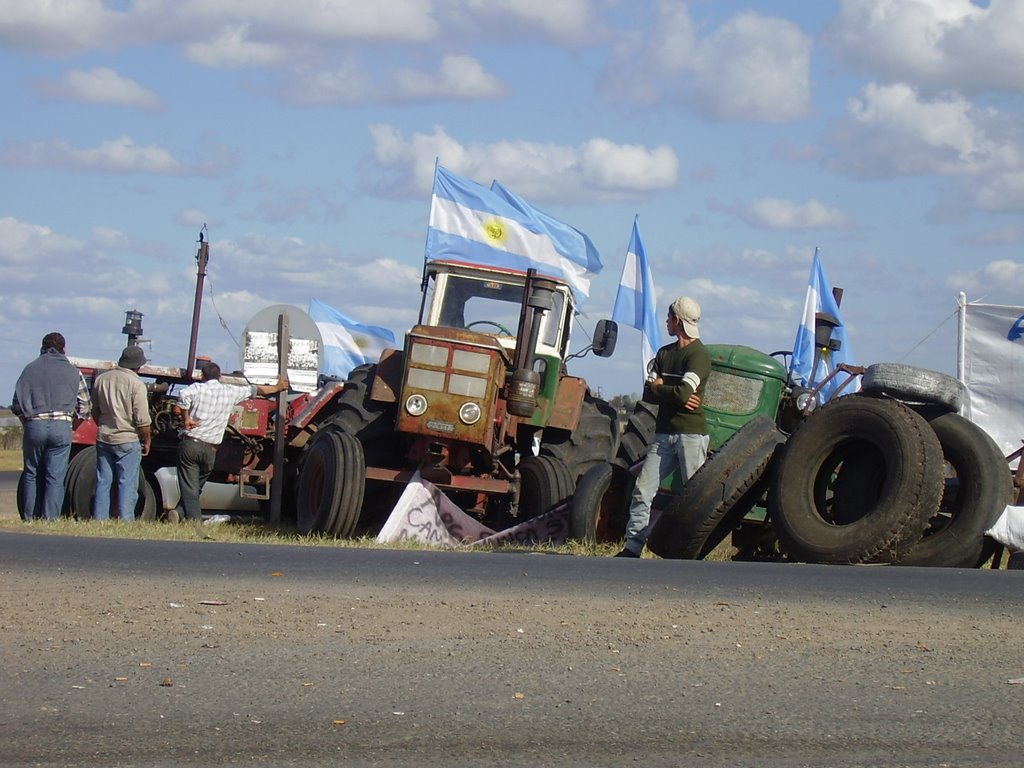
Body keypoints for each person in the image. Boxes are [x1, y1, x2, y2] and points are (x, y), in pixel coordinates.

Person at [616, 297, 712, 558]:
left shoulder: (699, 356)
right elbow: (654, 393)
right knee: (642, 489)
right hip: (664, 434)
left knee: (694, 498)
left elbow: (678, 392)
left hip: (691, 436)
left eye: (669, 318)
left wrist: (662, 387)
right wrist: (666, 390)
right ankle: (633, 547)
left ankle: (690, 551)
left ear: (677, 321)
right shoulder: (664, 353)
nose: (666, 322)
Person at [172, 361, 287, 522]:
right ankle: (178, 513)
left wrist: (186, 419)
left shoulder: (197, 388)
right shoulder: (229, 391)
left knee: (190, 487)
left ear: (202, 376)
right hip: (211, 450)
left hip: (191, 443)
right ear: (220, 377)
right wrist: (278, 387)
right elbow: (256, 389)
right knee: (196, 486)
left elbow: (183, 395)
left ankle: (194, 523)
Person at [11, 332, 91, 520]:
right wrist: (72, 424)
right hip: (62, 425)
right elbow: (85, 406)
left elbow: (16, 404)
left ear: (42, 347)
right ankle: (50, 519)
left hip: (35, 424)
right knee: (55, 477)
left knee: (31, 473)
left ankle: (29, 517)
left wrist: (27, 421)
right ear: (64, 349)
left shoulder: (29, 370)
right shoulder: (73, 371)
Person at [91, 345, 152, 522]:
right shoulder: (137, 384)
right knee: (126, 482)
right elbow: (143, 420)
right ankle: (126, 520)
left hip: (104, 436)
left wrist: (104, 425)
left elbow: (95, 410)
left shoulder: (101, 380)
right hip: (127, 438)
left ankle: (99, 520)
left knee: (103, 481)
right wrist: (146, 440)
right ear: (138, 366)